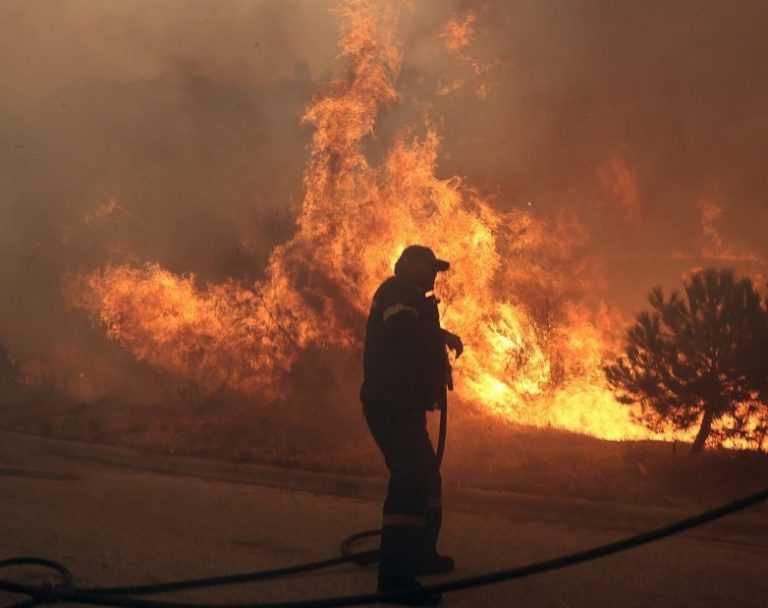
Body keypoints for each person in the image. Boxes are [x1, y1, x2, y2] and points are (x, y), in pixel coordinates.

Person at [361, 245, 463, 606]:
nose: (433, 274)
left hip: (404, 405)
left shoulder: (415, 298)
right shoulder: (395, 292)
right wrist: (442, 336)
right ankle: (393, 578)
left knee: (427, 476)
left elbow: (415, 341)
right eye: (427, 266)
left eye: (436, 269)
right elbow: (401, 326)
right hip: (388, 404)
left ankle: (421, 553)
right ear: (406, 266)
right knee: (409, 479)